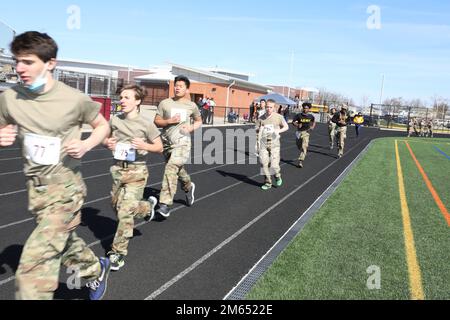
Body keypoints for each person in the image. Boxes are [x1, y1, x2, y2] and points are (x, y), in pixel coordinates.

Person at [0, 31, 111, 300]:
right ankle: (94, 270)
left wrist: (85, 144)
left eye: (28, 62)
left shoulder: (74, 99)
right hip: (36, 190)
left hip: (66, 189)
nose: (20, 68)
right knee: (64, 242)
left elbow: (102, 126)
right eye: (17, 61)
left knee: (34, 262)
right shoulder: (9, 98)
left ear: (50, 63)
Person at [103, 85, 163, 271]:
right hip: (117, 171)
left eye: (127, 97)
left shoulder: (146, 124)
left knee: (125, 211)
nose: (122, 100)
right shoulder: (115, 120)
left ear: (137, 101)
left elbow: (159, 147)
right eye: (121, 97)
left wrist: (144, 144)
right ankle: (147, 207)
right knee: (116, 206)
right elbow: (105, 138)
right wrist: (108, 143)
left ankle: (118, 253)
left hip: (137, 172)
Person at [154, 76, 202, 218]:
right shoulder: (165, 103)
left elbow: (199, 121)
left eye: (181, 86)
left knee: (171, 168)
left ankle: (164, 204)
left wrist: (191, 127)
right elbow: (156, 121)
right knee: (177, 169)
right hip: (168, 142)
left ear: (187, 89)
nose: (177, 88)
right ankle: (188, 186)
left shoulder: (191, 106)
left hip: (183, 142)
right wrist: (168, 121)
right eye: (176, 85)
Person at [255, 99, 289, 190]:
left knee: (274, 165)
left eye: (271, 107)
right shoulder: (261, 118)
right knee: (263, 163)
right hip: (263, 143)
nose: (268, 109)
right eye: (267, 107)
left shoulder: (279, 117)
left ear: (274, 108)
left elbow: (286, 127)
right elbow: (257, 131)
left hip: (274, 144)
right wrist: (257, 144)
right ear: (265, 107)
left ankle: (277, 175)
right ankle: (268, 182)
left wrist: (278, 130)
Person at [292, 102, 316, 168]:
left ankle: (300, 161)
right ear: (303, 108)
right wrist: (297, 124)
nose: (305, 109)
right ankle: (301, 150)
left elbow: (314, 121)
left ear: (309, 109)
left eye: (307, 108)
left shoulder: (311, 116)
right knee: (299, 145)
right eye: (304, 108)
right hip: (299, 132)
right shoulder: (298, 115)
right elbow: (293, 122)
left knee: (304, 146)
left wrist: (312, 127)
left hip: (306, 132)